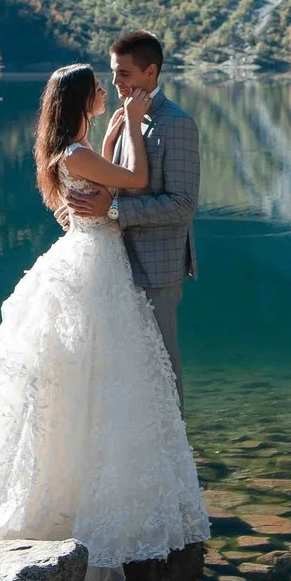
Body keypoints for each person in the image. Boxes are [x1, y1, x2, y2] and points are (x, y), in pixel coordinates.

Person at [0, 57, 209, 581]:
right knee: (99, 370)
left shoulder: (67, 150)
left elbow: (107, 194)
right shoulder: (77, 152)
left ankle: (72, 485)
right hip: (96, 265)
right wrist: (127, 129)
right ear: (82, 100)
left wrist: (121, 129)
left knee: (80, 373)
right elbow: (140, 181)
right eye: (98, 88)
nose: (106, 91)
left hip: (90, 257)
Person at [57, 30, 198, 390]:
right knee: (125, 370)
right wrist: (81, 210)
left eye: (125, 74)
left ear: (150, 73)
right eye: (113, 72)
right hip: (113, 265)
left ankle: (174, 445)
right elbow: (110, 181)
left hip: (155, 265)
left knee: (162, 366)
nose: (116, 83)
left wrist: (112, 209)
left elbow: (182, 205)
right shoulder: (123, 118)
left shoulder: (176, 123)